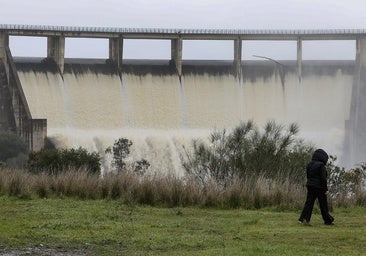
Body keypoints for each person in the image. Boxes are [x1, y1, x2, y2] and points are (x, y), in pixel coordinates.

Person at [298, 148, 334, 225]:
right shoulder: (321, 166)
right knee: (323, 205)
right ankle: (328, 220)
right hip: (319, 187)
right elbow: (323, 179)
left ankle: (303, 219)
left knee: (309, 203)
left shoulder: (309, 164)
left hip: (310, 186)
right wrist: (326, 189)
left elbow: (308, 176)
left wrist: (310, 183)